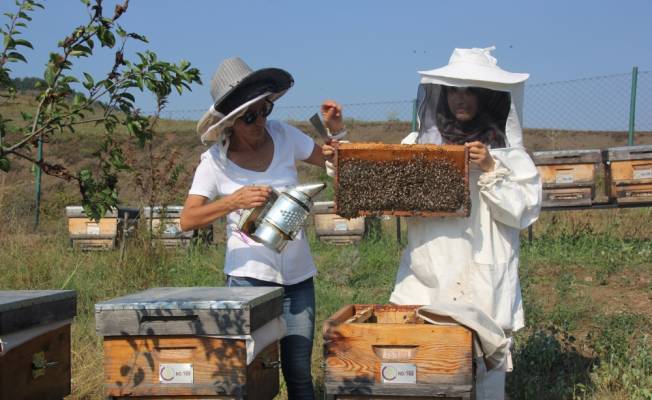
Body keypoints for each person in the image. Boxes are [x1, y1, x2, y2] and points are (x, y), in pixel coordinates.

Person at [179, 57, 344, 400]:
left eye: (265, 109)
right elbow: (187, 219)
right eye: (250, 116)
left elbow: (334, 162)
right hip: (246, 281)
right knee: (250, 373)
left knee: (298, 371)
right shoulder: (214, 161)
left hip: (297, 280)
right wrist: (232, 201)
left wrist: (335, 130)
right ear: (230, 122)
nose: (261, 121)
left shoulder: (284, 135)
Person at [389, 47, 542, 400]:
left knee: (486, 374)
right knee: (425, 370)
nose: (461, 98)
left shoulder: (510, 157)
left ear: (487, 96)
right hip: (427, 272)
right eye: (454, 89)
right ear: (441, 94)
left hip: (481, 277)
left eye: (470, 90)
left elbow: (523, 213)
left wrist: (490, 170)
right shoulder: (417, 145)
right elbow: (388, 195)